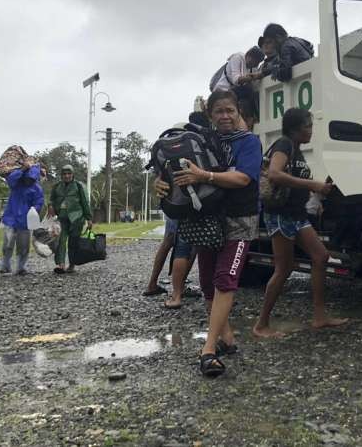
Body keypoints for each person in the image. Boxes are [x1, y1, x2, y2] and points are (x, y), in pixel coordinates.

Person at [157, 90, 262, 377]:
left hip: (240, 220)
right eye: (219, 111)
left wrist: (205, 176)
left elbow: (243, 178)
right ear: (210, 114)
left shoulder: (249, 142)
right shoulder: (202, 140)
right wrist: (161, 182)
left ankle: (209, 349)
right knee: (206, 283)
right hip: (208, 218)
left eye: (230, 110)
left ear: (238, 111)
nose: (225, 116)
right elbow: (172, 165)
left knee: (225, 280)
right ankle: (227, 338)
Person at [253, 108, 348, 338]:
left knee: (321, 256)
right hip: (280, 215)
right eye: (308, 126)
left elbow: (294, 182)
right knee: (283, 269)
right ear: (295, 128)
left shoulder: (297, 150)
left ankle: (319, 316)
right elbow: (274, 174)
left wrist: (317, 195)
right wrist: (313, 185)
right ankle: (261, 325)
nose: (311, 130)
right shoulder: (284, 144)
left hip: (296, 215)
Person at [0, 161, 45, 275]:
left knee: (23, 246)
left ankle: (21, 267)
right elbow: (10, 180)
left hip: (25, 222)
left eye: (32, 178)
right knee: (7, 245)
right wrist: (22, 169)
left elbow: (39, 202)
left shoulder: (37, 188)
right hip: (11, 219)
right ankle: (5, 266)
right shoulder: (16, 183)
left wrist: (35, 208)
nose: (29, 180)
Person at [48, 165, 92, 274]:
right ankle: (61, 265)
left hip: (76, 218)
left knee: (73, 242)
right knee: (60, 241)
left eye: (69, 174)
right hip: (61, 218)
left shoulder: (79, 186)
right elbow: (51, 199)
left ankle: (72, 265)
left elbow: (85, 203)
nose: (67, 176)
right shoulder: (57, 186)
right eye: (64, 174)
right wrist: (50, 206)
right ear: (61, 175)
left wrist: (89, 218)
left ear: (73, 174)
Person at [142, 214, 175, 296]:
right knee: (188, 247)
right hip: (182, 206)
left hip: (172, 206)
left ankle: (152, 283)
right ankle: (180, 288)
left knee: (167, 242)